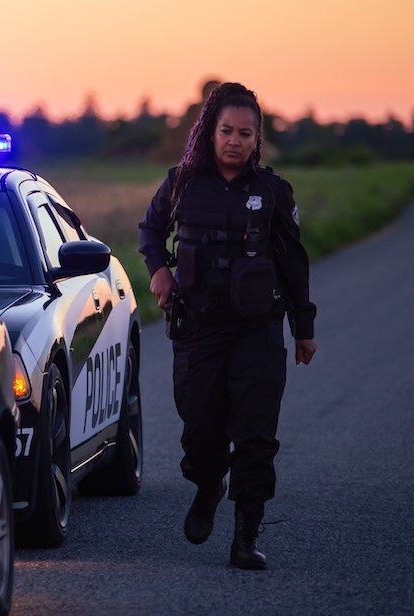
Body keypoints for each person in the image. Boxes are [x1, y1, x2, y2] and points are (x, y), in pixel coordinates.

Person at [138, 82, 317, 570]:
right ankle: (208, 482)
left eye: (245, 133)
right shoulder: (181, 183)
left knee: (256, 433)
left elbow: (294, 261)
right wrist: (159, 270)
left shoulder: (273, 191)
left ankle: (246, 536)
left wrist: (304, 326)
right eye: (226, 131)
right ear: (209, 132)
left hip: (258, 328)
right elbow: (150, 231)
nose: (235, 141)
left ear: (257, 138)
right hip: (198, 327)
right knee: (200, 431)